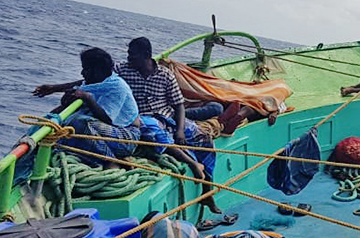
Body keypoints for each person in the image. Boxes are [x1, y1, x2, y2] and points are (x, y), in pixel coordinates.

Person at [116, 37, 221, 213]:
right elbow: (101, 78)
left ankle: (207, 190)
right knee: (155, 133)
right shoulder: (122, 69)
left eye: (132, 55)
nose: (129, 58)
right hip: (142, 118)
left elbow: (179, 105)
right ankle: (192, 164)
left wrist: (180, 131)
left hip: (168, 117)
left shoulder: (165, 75)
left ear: (146, 55)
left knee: (203, 137)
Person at [34, 48, 141, 168]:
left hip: (126, 138)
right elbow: (78, 84)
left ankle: (110, 161)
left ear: (98, 71)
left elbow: (107, 119)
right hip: (106, 133)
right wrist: (53, 89)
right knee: (54, 119)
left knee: (80, 123)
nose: (82, 73)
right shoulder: (95, 83)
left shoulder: (117, 87)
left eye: (86, 69)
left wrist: (88, 98)